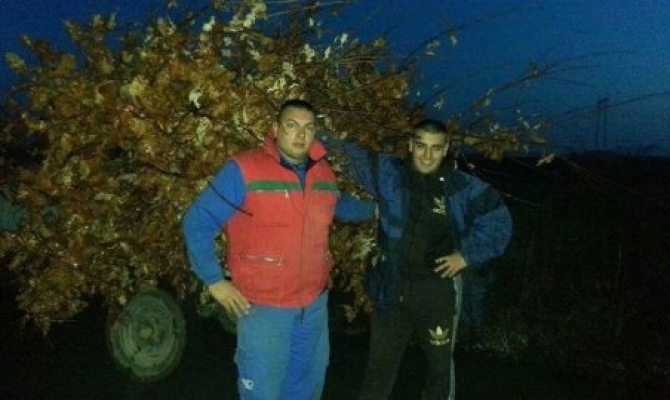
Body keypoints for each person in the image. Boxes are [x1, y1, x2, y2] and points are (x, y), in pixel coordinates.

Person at [182, 99, 375, 400]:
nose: (301, 134)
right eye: (292, 125)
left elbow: (337, 205)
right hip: (264, 309)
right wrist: (214, 281)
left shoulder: (323, 173)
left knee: (306, 389)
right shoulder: (244, 170)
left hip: (312, 306)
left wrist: (377, 210)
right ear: (275, 129)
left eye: (308, 128)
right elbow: (198, 221)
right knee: (263, 391)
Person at [321, 119, 512, 400]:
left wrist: (466, 255)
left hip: (437, 291)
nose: (427, 155)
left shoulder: (462, 188)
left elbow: (499, 222)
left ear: (445, 149)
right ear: (411, 145)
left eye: (435, 148)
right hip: (391, 287)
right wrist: (313, 131)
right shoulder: (390, 174)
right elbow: (349, 155)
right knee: (378, 372)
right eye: (421, 146)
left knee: (439, 371)